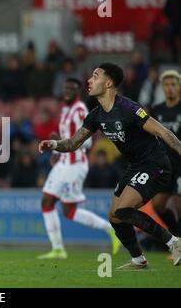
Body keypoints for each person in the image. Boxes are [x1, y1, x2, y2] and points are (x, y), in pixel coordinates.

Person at [39, 63, 181, 269]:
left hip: (155, 164)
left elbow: (164, 132)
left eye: (95, 76)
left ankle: (174, 242)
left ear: (108, 83)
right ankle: (138, 260)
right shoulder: (96, 115)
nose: (89, 80)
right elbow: (73, 143)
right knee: (114, 216)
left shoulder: (130, 109)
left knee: (124, 209)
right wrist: (53, 144)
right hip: (135, 166)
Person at [38, 78, 120, 260]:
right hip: (64, 163)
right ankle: (58, 249)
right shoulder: (66, 110)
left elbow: (88, 141)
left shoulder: (80, 110)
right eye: (65, 87)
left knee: (64, 208)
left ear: (78, 92)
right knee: (49, 203)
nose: (67, 91)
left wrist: (58, 141)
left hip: (75, 165)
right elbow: (66, 138)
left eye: (71, 88)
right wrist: (57, 149)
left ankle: (111, 230)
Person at [150, 70, 181, 238]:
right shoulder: (156, 110)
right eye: (167, 85)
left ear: (179, 87)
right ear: (162, 87)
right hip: (164, 164)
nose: (170, 88)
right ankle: (176, 238)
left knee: (176, 203)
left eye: (173, 85)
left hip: (180, 163)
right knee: (158, 204)